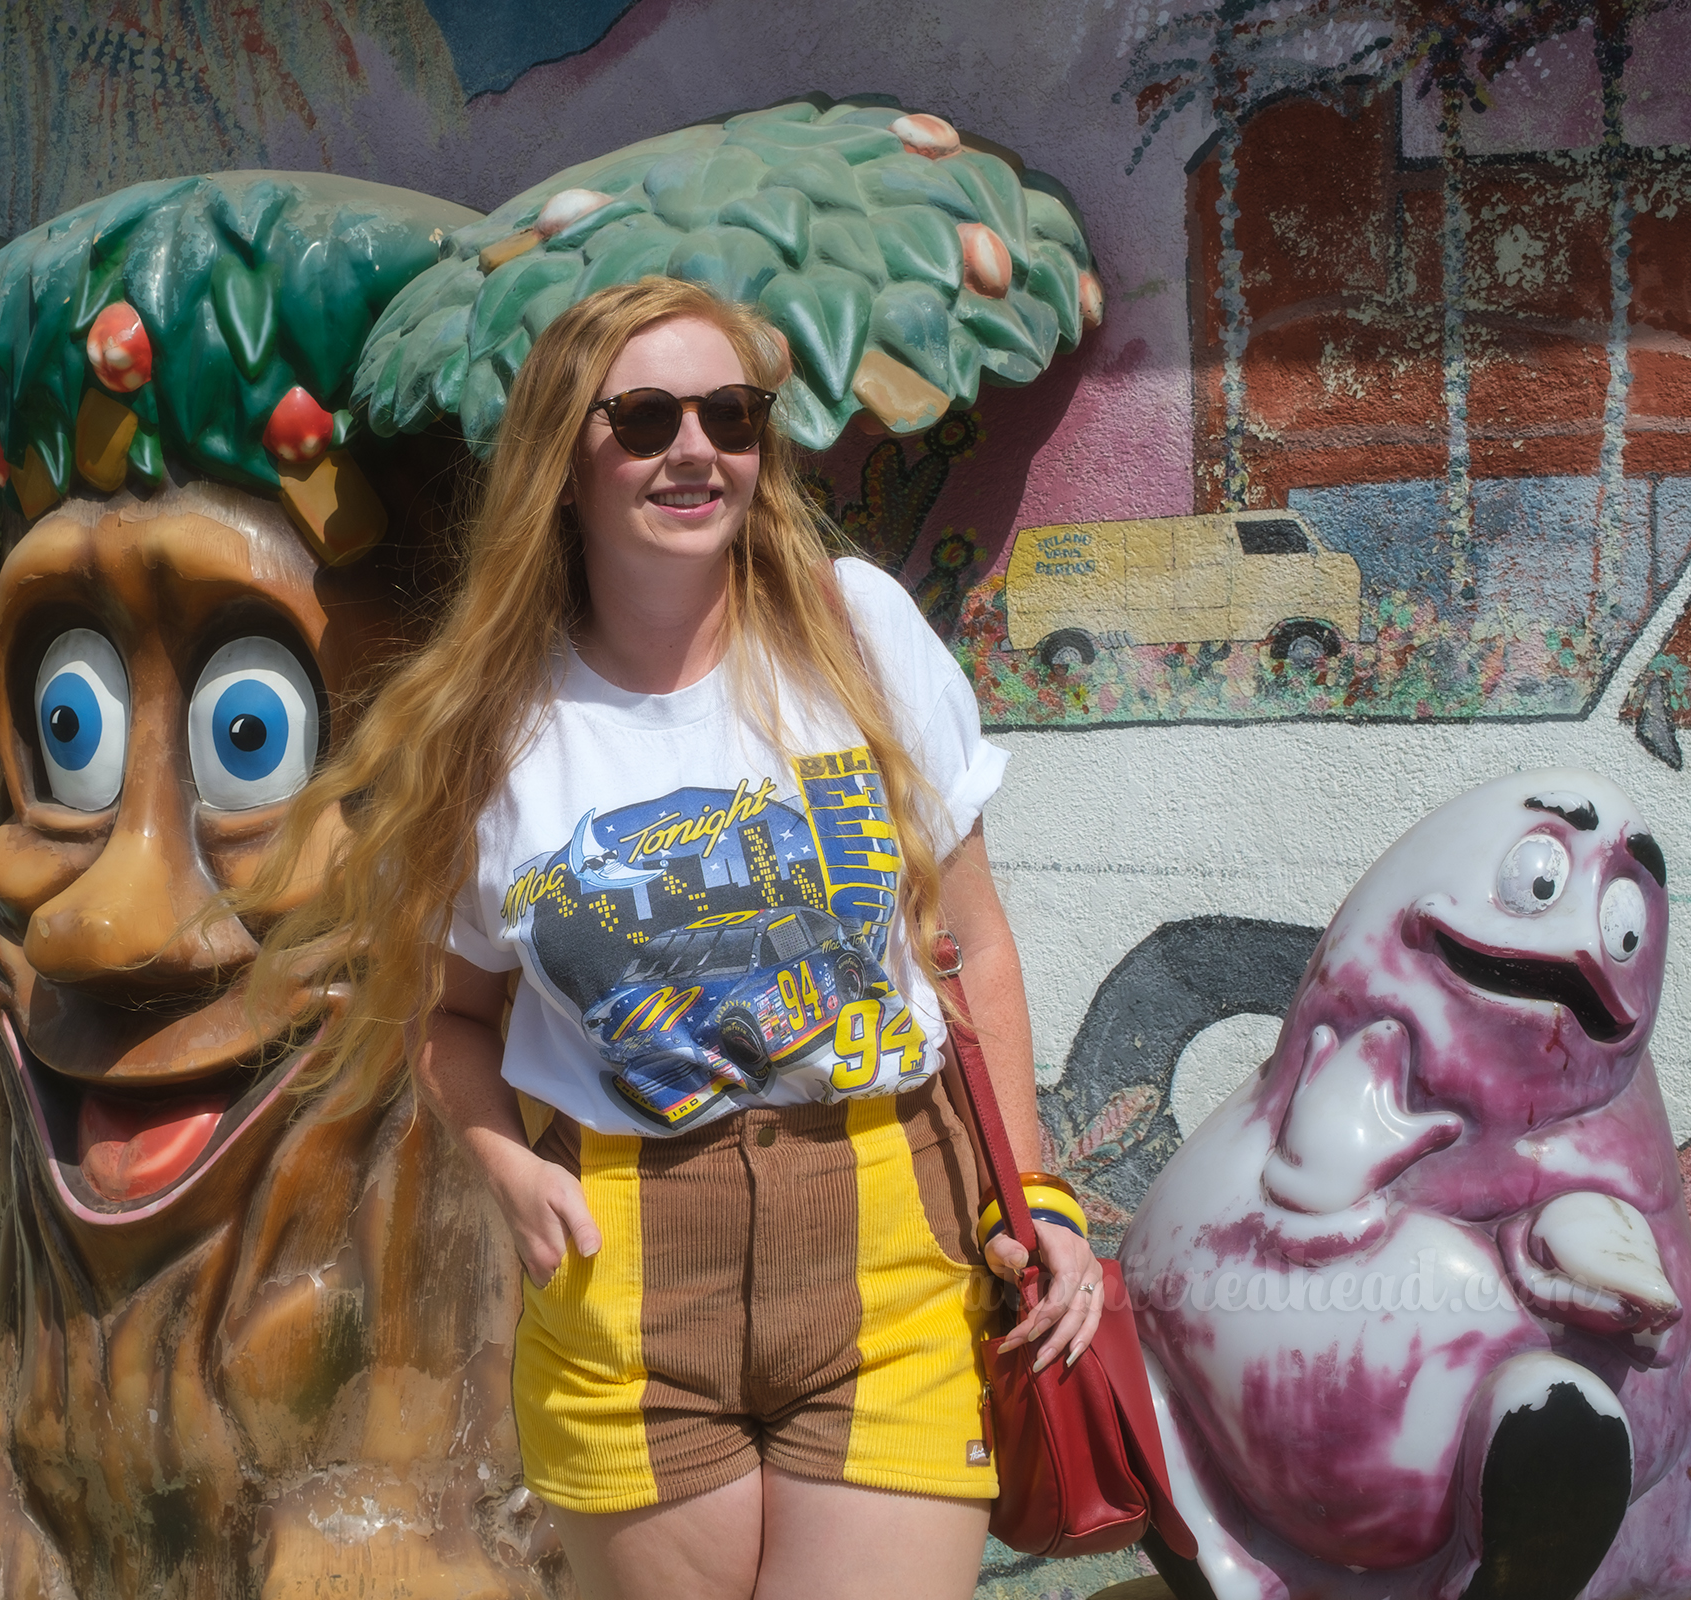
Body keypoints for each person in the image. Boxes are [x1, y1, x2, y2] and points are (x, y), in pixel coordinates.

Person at [236, 278, 1103, 1600]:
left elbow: (972, 945)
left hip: (884, 1235)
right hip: (628, 1270)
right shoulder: (499, 732)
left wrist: (1034, 1198)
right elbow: (453, 1023)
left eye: (730, 416)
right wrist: (508, 1170)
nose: (694, 449)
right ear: (563, 465)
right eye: (643, 420)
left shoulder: (855, 632)